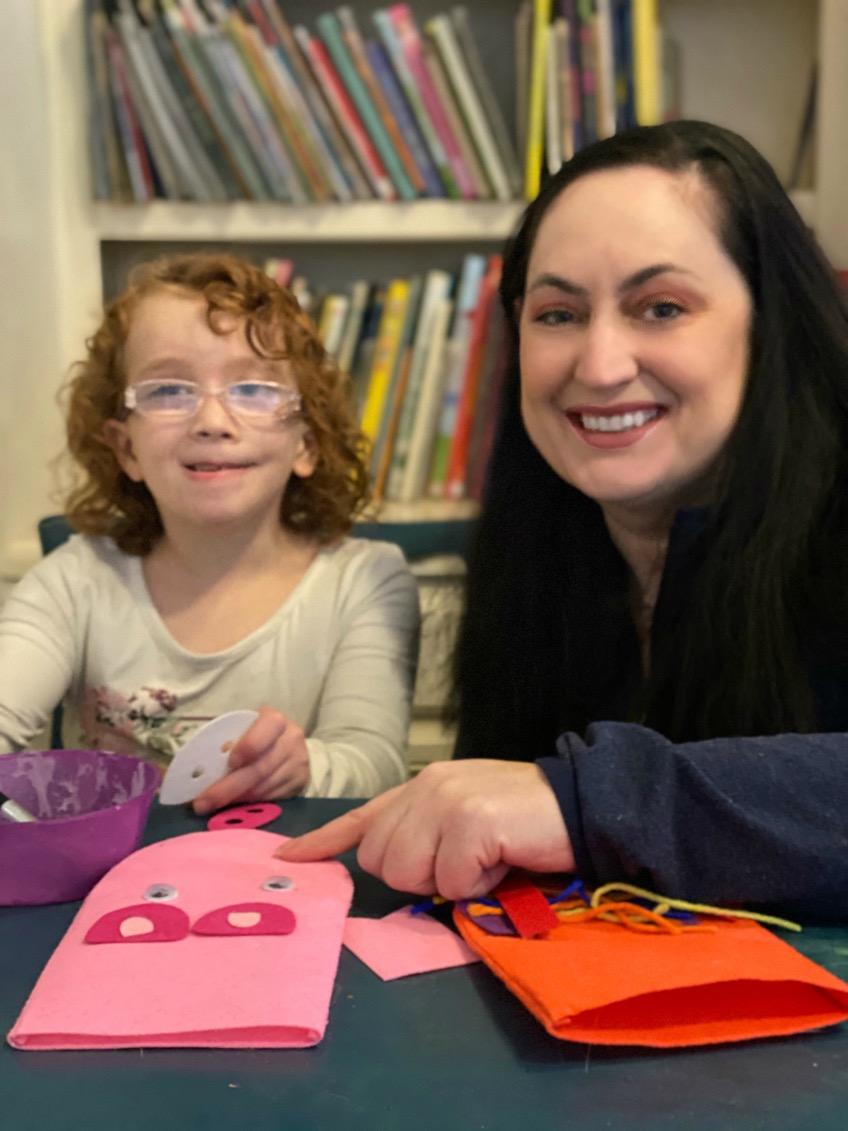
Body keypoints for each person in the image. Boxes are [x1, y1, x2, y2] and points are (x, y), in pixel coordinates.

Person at [277, 120, 848, 918]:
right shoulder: (537, 553)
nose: (601, 364)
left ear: (769, 325)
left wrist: (582, 801)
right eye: (557, 314)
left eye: (661, 307)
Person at [0, 253, 420, 809]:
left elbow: (375, 763)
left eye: (254, 389)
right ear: (126, 447)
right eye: (170, 390)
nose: (213, 422)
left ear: (306, 444)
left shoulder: (365, 580)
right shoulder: (77, 580)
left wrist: (302, 766)